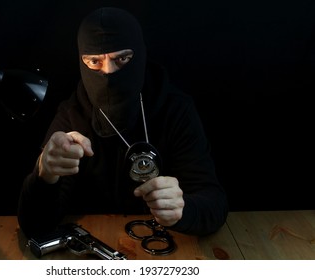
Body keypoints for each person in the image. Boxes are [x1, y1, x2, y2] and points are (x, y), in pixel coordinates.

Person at [17, 7, 228, 239]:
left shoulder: (175, 109)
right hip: (96, 238)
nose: (108, 73)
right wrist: (44, 174)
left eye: (122, 59)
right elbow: (35, 225)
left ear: (139, 54)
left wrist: (184, 210)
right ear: (81, 61)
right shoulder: (71, 117)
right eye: (94, 62)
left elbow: (214, 204)